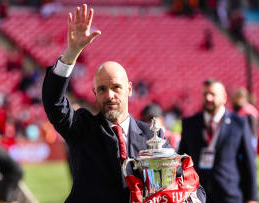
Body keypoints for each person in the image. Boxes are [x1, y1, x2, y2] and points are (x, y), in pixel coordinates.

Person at [42, 4, 205, 203]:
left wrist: (191, 198)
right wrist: (71, 53)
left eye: (116, 87)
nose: (109, 95)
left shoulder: (151, 136)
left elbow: (182, 182)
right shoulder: (81, 128)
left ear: (129, 89)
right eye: (102, 89)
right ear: (94, 93)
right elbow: (54, 102)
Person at [178, 79, 258, 203]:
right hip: (196, 195)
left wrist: (252, 198)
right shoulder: (190, 123)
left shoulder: (239, 124)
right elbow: (181, 159)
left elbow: (249, 162)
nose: (208, 98)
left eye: (213, 94)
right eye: (205, 94)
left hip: (229, 195)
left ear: (224, 97)